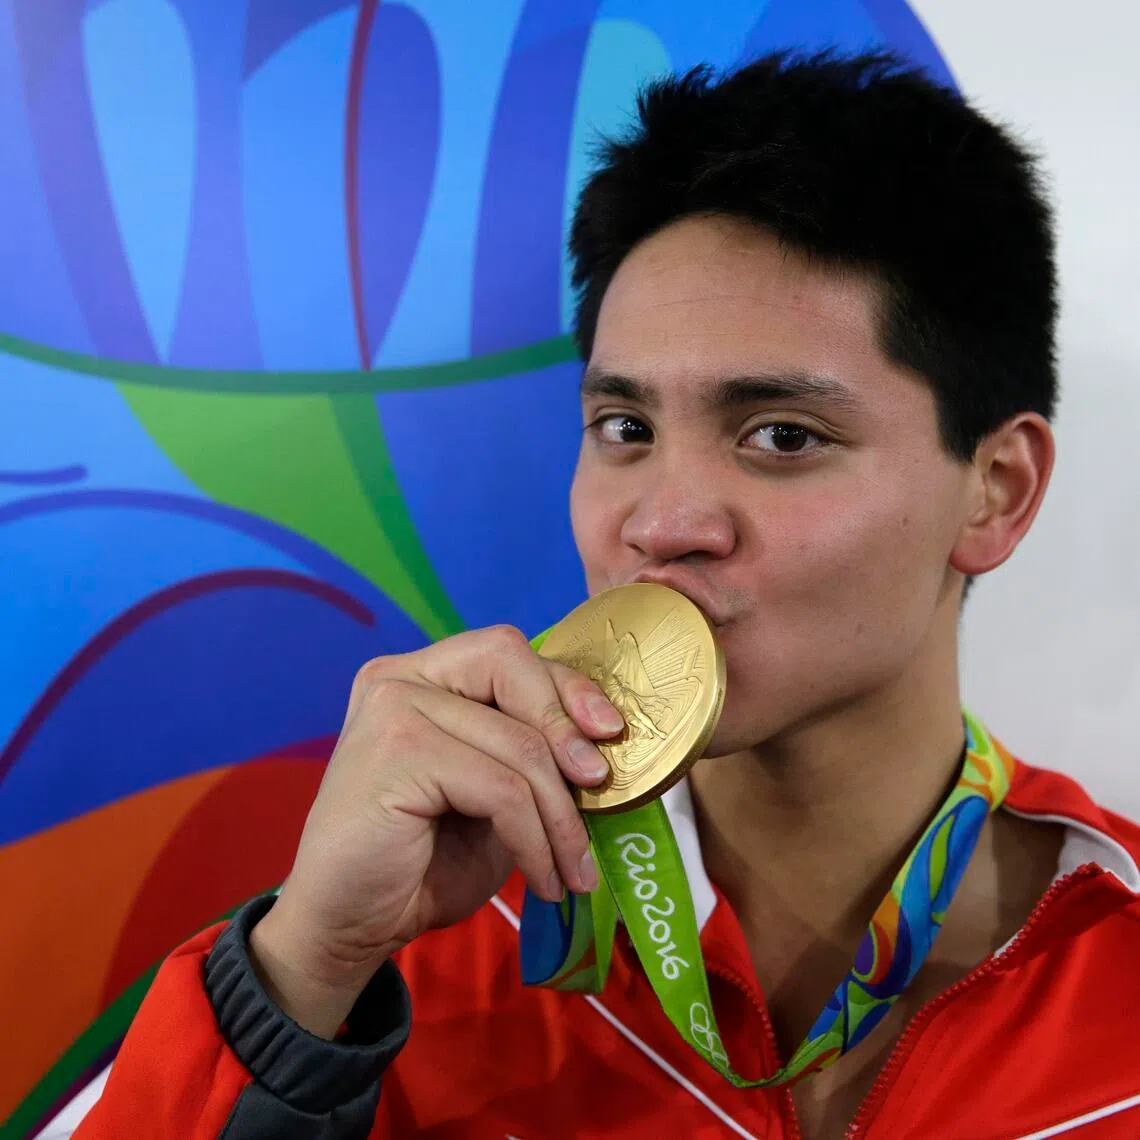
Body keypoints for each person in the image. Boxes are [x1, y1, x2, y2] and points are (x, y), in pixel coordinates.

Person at [72, 51, 1140, 1139]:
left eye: (782, 436)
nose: (665, 524)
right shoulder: (407, 935)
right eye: (624, 429)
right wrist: (302, 977)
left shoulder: (1120, 962)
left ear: (995, 493)